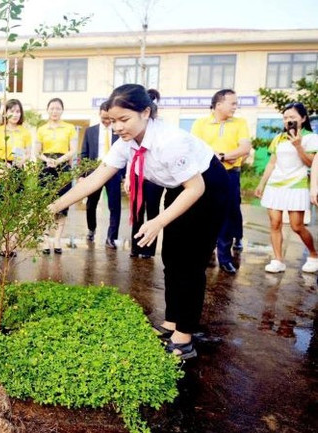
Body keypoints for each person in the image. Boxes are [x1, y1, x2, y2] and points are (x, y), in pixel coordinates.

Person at [49, 84, 229, 360]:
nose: (118, 127)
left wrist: (157, 221)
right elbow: (97, 178)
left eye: (124, 119)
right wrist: (54, 206)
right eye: (112, 121)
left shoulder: (169, 141)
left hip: (207, 188)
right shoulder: (126, 143)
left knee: (189, 262)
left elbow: (196, 188)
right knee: (171, 256)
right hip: (179, 189)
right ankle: (172, 322)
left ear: (146, 112)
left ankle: (185, 338)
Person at [191, 89, 252, 274]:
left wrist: (223, 156)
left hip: (230, 175)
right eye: (232, 103)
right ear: (219, 105)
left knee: (227, 214)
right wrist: (218, 157)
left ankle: (225, 258)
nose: (235, 107)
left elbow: (245, 148)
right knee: (203, 214)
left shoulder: (240, 123)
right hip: (206, 174)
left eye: (236, 103)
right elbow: (194, 147)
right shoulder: (200, 123)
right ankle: (204, 253)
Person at [258, 102, 318, 273]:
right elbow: (271, 163)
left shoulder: (311, 138)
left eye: (292, 117)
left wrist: (298, 146)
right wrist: (262, 184)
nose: (288, 121)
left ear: (303, 118)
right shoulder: (279, 138)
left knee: (297, 226)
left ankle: (314, 254)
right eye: (285, 118)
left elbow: (313, 164)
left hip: (296, 185)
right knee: (275, 223)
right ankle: (278, 260)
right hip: (275, 185)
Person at [34, 98, 78, 254]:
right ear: (47, 110)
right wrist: (47, 160)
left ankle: (58, 239)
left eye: (58, 108)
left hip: (63, 166)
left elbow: (73, 150)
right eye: (52, 108)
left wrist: (59, 160)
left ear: (62, 110)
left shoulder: (69, 128)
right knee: (46, 203)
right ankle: (46, 240)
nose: (54, 111)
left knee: (62, 204)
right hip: (45, 167)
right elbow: (37, 152)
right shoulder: (41, 129)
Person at [126, 89, 164, 259]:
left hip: (155, 177)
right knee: (136, 211)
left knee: (153, 212)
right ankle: (135, 247)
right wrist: (128, 177)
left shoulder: (161, 133)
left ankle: (148, 248)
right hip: (136, 175)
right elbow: (129, 157)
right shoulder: (132, 134)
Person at [81, 102, 121, 249]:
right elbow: (84, 153)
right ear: (99, 114)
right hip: (94, 173)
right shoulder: (90, 131)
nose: (107, 121)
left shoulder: (119, 132)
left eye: (109, 118)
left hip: (113, 173)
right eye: (104, 118)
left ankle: (111, 237)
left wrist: (123, 175)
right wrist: (82, 174)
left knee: (114, 206)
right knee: (91, 204)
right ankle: (91, 229)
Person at [0, 98, 32, 166]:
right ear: (5, 113)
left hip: (18, 167)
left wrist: (23, 160)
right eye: (12, 111)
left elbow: (28, 154)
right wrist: (2, 164)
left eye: (18, 111)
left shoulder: (25, 132)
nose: (15, 115)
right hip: (1, 167)